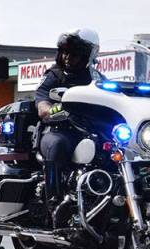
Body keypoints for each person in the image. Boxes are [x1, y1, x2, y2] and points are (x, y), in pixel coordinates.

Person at [34, 28, 102, 227]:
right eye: (64, 51)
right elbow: (43, 109)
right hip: (57, 131)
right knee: (58, 145)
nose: (67, 57)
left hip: (91, 134)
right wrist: (64, 111)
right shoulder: (54, 76)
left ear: (88, 55)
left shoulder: (98, 80)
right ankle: (54, 202)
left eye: (74, 53)